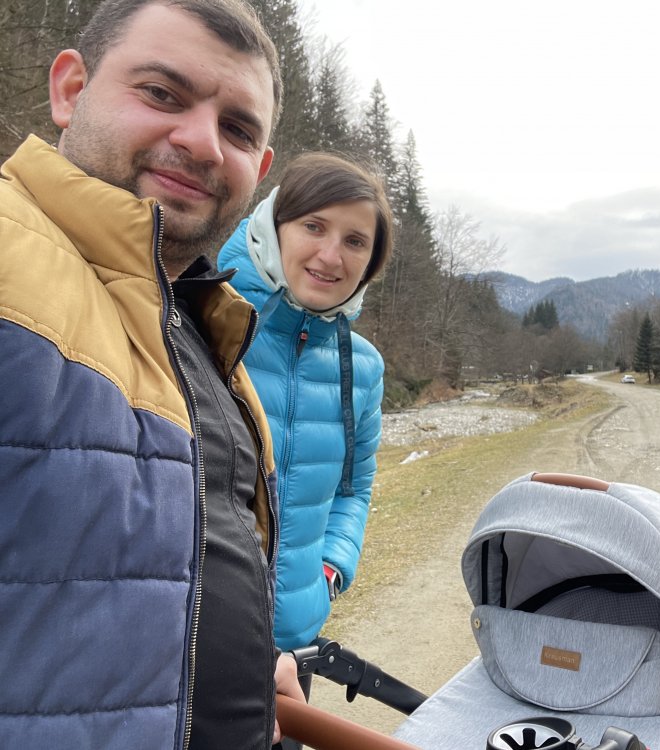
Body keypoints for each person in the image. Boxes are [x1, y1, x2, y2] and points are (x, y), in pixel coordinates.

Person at [0, 1, 306, 747]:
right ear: (71, 89)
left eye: (238, 129)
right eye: (163, 94)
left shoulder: (203, 320)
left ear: (259, 169)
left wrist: (240, 666)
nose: (203, 142)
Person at [217, 153, 392, 726]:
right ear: (274, 226)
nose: (331, 255)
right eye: (314, 226)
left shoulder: (362, 367)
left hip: (295, 645)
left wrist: (330, 569)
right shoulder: (204, 317)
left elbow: (354, 486)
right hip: (195, 641)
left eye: (355, 241)